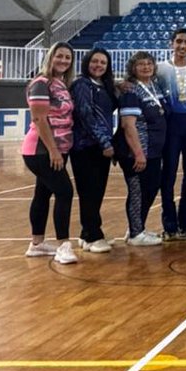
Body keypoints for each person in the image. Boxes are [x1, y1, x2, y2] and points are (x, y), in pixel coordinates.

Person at [21, 41, 78, 264]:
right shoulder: (40, 83)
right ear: (50, 58)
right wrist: (53, 151)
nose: (63, 60)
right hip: (41, 150)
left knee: (43, 194)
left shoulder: (61, 84)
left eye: (67, 57)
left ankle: (37, 244)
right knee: (65, 191)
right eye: (59, 56)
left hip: (58, 149)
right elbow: (39, 119)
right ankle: (64, 245)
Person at [115, 50, 168, 246]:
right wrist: (138, 153)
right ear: (133, 68)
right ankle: (136, 234)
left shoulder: (154, 86)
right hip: (136, 152)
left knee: (152, 187)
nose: (145, 67)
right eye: (140, 64)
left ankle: (137, 227)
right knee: (137, 191)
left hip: (154, 150)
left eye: (148, 63)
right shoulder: (130, 91)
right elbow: (128, 125)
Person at [157, 26, 186, 241]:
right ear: (171, 44)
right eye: (179, 41)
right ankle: (169, 221)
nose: (183, 46)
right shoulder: (160, 69)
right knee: (169, 173)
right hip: (171, 125)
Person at [70, 47, 117, 253]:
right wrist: (104, 142)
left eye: (103, 63)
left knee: (97, 191)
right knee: (89, 191)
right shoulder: (81, 84)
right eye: (95, 61)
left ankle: (86, 233)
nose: (98, 65)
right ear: (87, 62)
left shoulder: (103, 86)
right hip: (85, 146)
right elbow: (86, 115)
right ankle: (93, 235)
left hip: (100, 147)